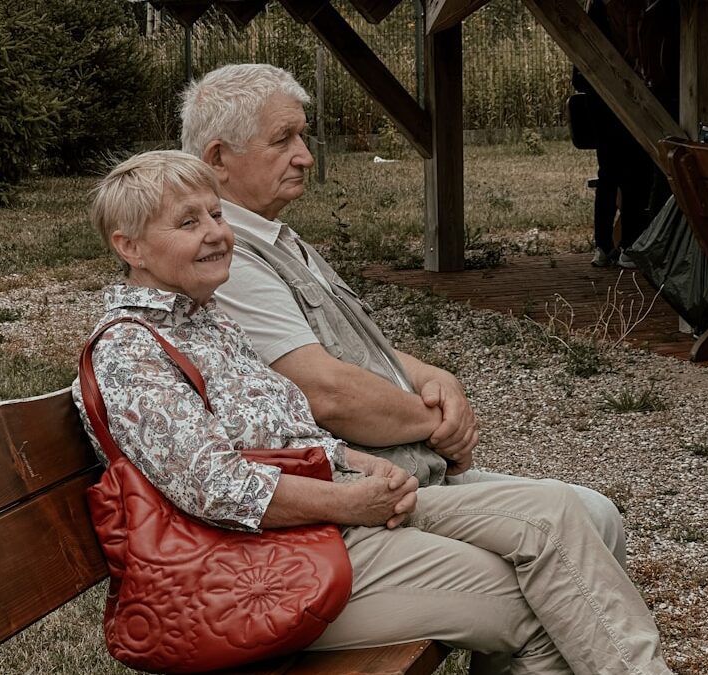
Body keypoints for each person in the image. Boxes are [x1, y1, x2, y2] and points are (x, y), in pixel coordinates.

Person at [72, 150, 673, 674]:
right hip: (259, 567)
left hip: (329, 520)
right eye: (188, 222)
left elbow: (286, 434)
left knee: (558, 513)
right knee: (542, 602)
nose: (216, 233)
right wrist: (349, 501)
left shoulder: (206, 320)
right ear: (130, 247)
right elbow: (218, 488)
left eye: (216, 215)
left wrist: (358, 464)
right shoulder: (129, 350)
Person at [179, 64, 627, 565]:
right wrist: (438, 423)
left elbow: (353, 348)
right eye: (283, 140)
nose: (305, 156)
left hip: (410, 472)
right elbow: (325, 394)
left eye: (302, 136)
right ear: (218, 158)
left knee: (594, 516)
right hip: (370, 493)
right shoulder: (230, 259)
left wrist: (436, 378)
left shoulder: (273, 236)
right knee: (584, 521)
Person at [572, 0, 655, 268]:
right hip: (622, 102)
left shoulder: (598, 9)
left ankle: (605, 246)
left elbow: (579, 73)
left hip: (601, 100)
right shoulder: (630, 9)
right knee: (633, 175)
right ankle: (626, 246)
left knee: (610, 174)